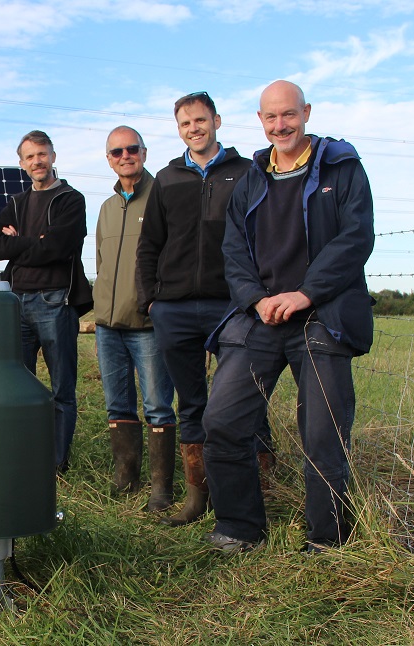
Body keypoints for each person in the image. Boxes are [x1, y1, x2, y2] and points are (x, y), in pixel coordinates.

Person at [202, 80, 374, 554]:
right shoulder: (252, 177)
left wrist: (305, 294)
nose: (281, 125)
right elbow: (233, 249)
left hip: (322, 316)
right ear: (260, 120)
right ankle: (239, 527)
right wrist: (256, 300)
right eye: (271, 117)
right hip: (261, 317)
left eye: (289, 115)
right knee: (222, 420)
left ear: (307, 113)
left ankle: (328, 538)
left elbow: (355, 239)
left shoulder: (341, 167)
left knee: (322, 434)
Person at [136, 91, 274, 527]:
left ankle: (258, 488)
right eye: (185, 123)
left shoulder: (247, 172)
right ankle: (198, 498)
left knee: (244, 399)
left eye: (200, 120)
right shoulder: (167, 177)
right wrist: (151, 300)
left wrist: (254, 297)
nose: (194, 128)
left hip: (231, 305)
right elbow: (149, 245)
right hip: (173, 308)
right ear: (178, 129)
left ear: (217, 120)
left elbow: (261, 237)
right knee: (191, 403)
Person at [0, 130, 92, 473]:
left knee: (62, 387)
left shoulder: (69, 199)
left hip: (56, 302)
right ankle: (24, 454)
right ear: (22, 163)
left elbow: (58, 249)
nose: (38, 161)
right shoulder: (17, 203)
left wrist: (21, 242)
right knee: (18, 386)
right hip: (16, 303)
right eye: (30, 156)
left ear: (53, 156)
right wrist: (37, 242)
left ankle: (56, 462)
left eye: (43, 154)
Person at [93, 126, 176, 508]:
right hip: (108, 326)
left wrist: (157, 304)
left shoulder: (164, 197)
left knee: (158, 405)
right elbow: (101, 262)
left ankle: (161, 488)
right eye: (116, 152)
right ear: (109, 159)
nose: (124, 156)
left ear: (143, 151)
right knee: (117, 406)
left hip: (147, 324)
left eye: (131, 149)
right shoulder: (107, 208)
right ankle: (126, 479)